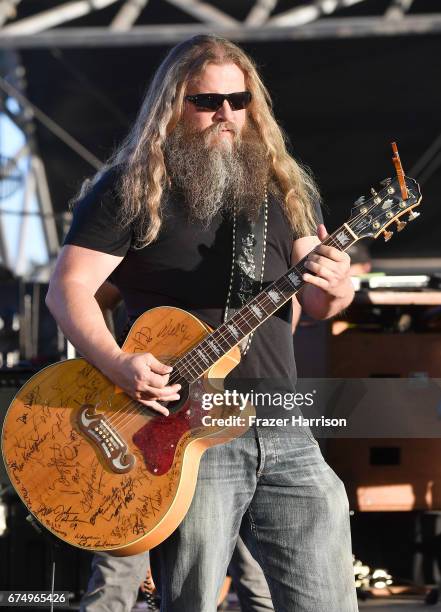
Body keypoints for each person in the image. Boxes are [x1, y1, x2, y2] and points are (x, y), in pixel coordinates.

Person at [46, 35, 358, 611]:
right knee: (191, 600)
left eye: (238, 101)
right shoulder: (131, 188)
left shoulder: (284, 188)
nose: (225, 115)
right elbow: (67, 290)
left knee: (328, 598)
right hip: (187, 433)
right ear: (172, 105)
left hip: (281, 418)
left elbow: (317, 307)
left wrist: (337, 290)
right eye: (208, 101)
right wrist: (117, 362)